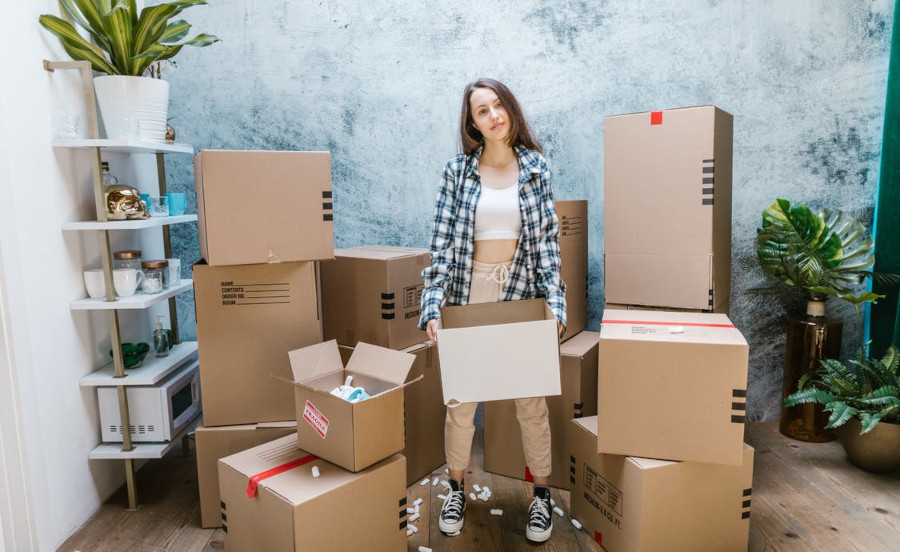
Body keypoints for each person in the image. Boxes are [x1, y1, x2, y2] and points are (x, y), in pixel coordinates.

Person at [418, 78, 566, 543]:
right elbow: (440, 246)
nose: (493, 115)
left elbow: (547, 245)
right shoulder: (456, 173)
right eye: (482, 111)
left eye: (498, 105)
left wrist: (555, 306)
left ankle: (540, 497)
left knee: (530, 401)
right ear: (473, 123)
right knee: (461, 403)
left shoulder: (537, 168)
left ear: (511, 110)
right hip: (468, 295)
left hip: (521, 292)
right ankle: (457, 487)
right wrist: (433, 306)